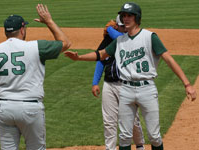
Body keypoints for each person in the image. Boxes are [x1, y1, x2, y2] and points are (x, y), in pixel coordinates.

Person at [64, 2, 197, 150]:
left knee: (154, 136)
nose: (125, 19)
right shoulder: (119, 41)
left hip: (147, 88)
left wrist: (187, 84)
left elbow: (169, 59)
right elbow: (101, 54)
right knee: (125, 136)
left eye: (129, 16)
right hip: (126, 89)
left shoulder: (150, 37)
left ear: (137, 18)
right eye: (123, 16)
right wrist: (79, 58)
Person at [0, 4, 71, 150]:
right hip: (30, 108)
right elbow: (65, 43)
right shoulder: (36, 47)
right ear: (22, 29)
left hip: (5, 108)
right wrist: (49, 21)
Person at [92, 15, 145, 150]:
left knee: (133, 121)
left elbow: (120, 38)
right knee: (109, 121)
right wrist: (95, 82)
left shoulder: (132, 39)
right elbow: (101, 59)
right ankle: (110, 148)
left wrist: (109, 29)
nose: (124, 28)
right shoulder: (110, 39)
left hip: (127, 86)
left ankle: (139, 145)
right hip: (109, 84)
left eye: (125, 26)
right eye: (121, 26)